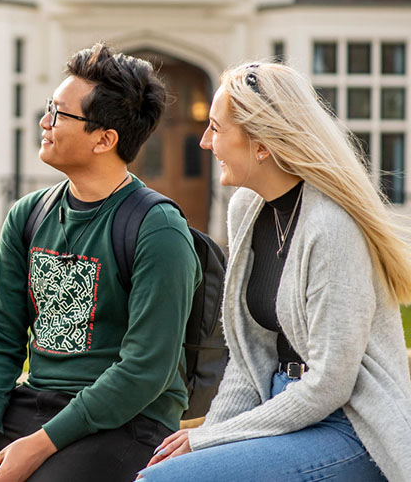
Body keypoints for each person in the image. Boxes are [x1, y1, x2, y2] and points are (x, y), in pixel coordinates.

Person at [0, 44, 201, 482]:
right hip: (33, 406)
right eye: (48, 109)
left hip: (128, 424)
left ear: (104, 139)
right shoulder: (29, 214)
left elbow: (144, 371)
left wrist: (39, 446)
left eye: (59, 114)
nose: (44, 122)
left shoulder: (159, 231)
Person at [137, 62, 411, 482]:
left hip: (350, 426)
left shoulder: (331, 227)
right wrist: (211, 433)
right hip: (279, 408)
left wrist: (207, 441)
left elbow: (329, 386)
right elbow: (250, 362)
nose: (206, 143)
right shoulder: (247, 210)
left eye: (216, 128)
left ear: (261, 145)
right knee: (163, 470)